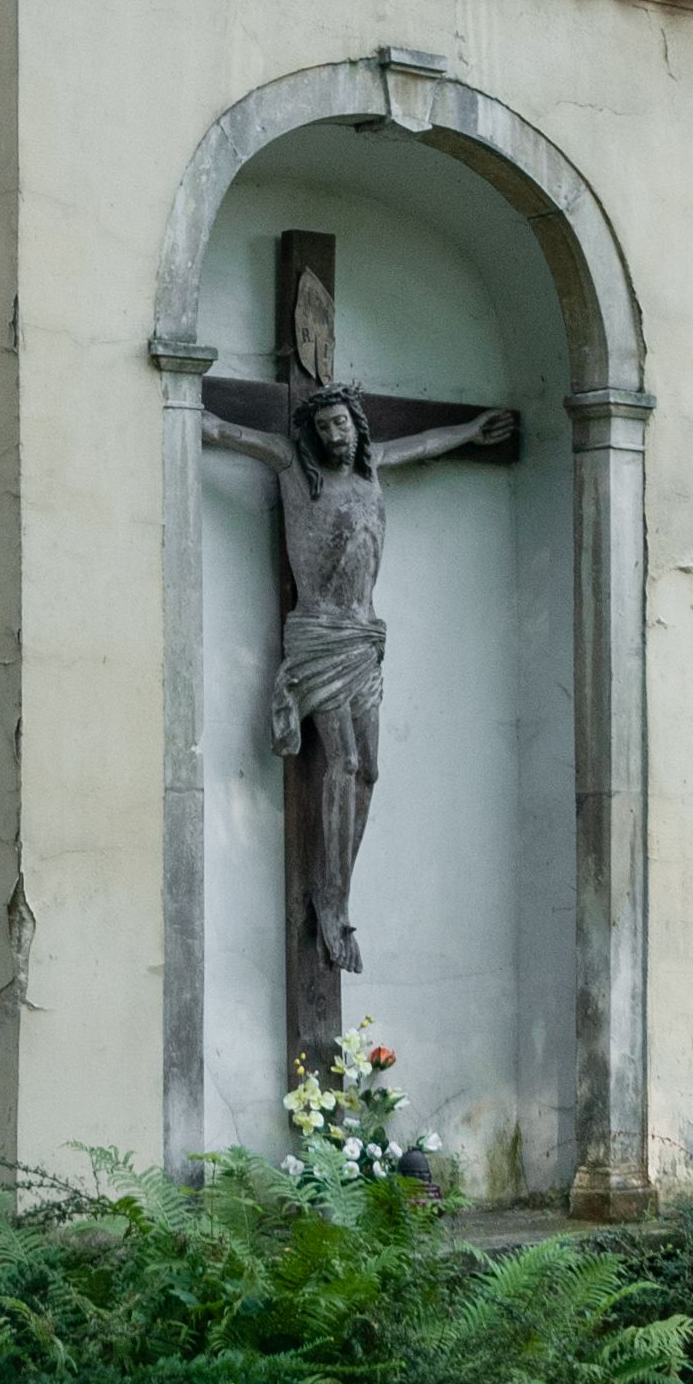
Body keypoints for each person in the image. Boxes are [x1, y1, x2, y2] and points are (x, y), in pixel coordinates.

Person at [199, 377, 511, 973]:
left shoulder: (373, 468)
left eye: (340, 423)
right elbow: (227, 432)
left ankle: (338, 886)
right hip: (321, 635)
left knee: (368, 769)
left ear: (356, 425)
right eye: (323, 427)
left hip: (364, 638)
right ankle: (331, 903)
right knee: (341, 761)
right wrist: (180, 400)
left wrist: (472, 431)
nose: (332, 434)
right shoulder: (293, 466)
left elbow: (425, 444)